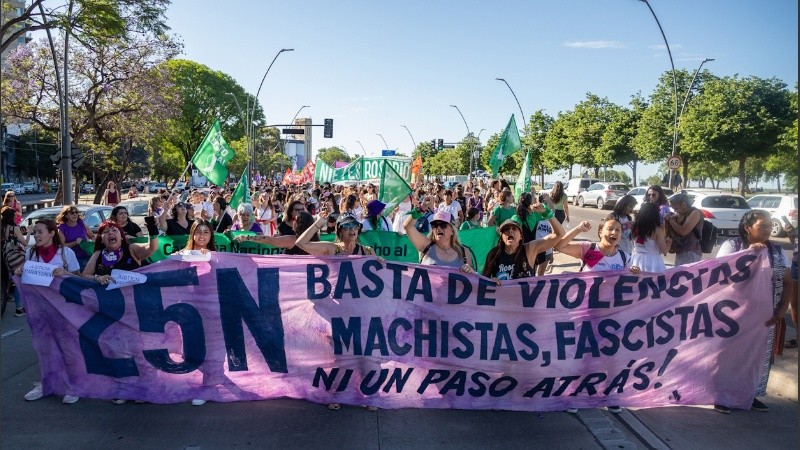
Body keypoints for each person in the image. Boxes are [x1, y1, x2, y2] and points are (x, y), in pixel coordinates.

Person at [555, 216, 641, 415]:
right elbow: (560, 246)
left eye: (618, 230)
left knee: (610, 357)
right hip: (586, 312)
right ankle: (574, 395)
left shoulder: (624, 258)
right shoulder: (590, 250)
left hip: (612, 316)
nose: (614, 233)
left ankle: (609, 395)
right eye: (610, 229)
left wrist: (635, 274)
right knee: (582, 356)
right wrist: (578, 228)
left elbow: (631, 287)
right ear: (600, 232)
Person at [714, 210, 792, 414]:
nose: (767, 228)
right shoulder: (732, 246)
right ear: (748, 227)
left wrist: (781, 310)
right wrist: (748, 254)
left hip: (765, 317)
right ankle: (722, 396)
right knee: (730, 355)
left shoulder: (776, 250)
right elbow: (719, 277)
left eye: (769, 224)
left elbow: (787, 280)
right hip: (734, 315)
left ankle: (750, 394)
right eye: (761, 225)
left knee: (757, 356)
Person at [82, 219, 159, 404]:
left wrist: (152, 226)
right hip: (111, 312)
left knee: (139, 348)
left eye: (114, 230)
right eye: (106, 231)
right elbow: (84, 275)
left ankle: (145, 387)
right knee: (118, 350)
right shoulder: (99, 254)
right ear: (102, 238)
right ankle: (125, 387)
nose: (111, 233)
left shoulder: (131, 249)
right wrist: (97, 277)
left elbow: (151, 249)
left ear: (121, 235)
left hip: (137, 308)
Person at [18, 219, 81, 404]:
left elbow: (79, 279)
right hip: (40, 308)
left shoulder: (66, 253)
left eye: (40, 232)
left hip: (64, 308)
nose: (36, 235)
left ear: (52, 233)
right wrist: (20, 270)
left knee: (69, 347)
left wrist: (64, 273)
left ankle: (74, 385)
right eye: (34, 232)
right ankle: (47, 384)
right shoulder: (30, 253)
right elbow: (26, 276)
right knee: (45, 347)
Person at [482, 217, 574, 280]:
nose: (510, 231)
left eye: (514, 229)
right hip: (502, 305)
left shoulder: (529, 249)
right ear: (501, 236)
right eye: (506, 229)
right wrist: (491, 281)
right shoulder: (493, 254)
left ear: (521, 236)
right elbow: (482, 280)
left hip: (525, 306)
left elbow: (560, 234)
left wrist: (548, 214)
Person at [403, 210, 475, 272]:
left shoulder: (464, 252)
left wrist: (471, 271)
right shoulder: (426, 246)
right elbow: (408, 227)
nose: (438, 228)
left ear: (452, 231)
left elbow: (473, 280)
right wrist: (420, 209)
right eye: (434, 225)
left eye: (443, 225)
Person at [237, 211, 318, 255]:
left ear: (300, 223)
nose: (292, 221)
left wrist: (247, 237)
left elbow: (269, 240)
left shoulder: (293, 240)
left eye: (294, 219)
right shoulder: (317, 242)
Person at [295, 213, 375, 257]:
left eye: (355, 226)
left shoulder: (368, 251)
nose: (352, 229)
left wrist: (381, 263)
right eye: (347, 226)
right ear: (340, 231)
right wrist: (318, 223)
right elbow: (300, 243)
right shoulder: (332, 249)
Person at [630, 203, 672, 273]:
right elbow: (664, 250)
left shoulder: (635, 226)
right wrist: (668, 244)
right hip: (653, 261)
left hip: (636, 259)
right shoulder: (657, 229)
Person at [665, 193, 704, 265]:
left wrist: (670, 219)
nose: (675, 211)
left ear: (683, 204)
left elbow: (683, 231)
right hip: (682, 251)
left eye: (676, 208)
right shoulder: (683, 213)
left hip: (690, 252)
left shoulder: (695, 213)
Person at [1, 206, 27, 316]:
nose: (17, 217)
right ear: (11, 217)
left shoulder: (2, 227)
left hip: (6, 254)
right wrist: (29, 232)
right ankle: (19, 308)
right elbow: (25, 243)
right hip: (16, 255)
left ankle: (20, 306)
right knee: (19, 280)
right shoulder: (14, 228)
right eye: (15, 216)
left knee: (14, 279)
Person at [56, 205, 95, 270]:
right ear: (66, 215)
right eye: (72, 213)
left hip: (87, 257)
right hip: (72, 260)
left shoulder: (81, 224)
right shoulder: (62, 228)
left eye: (76, 212)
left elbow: (92, 236)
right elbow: (62, 246)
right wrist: (75, 242)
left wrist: (91, 243)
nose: (75, 214)